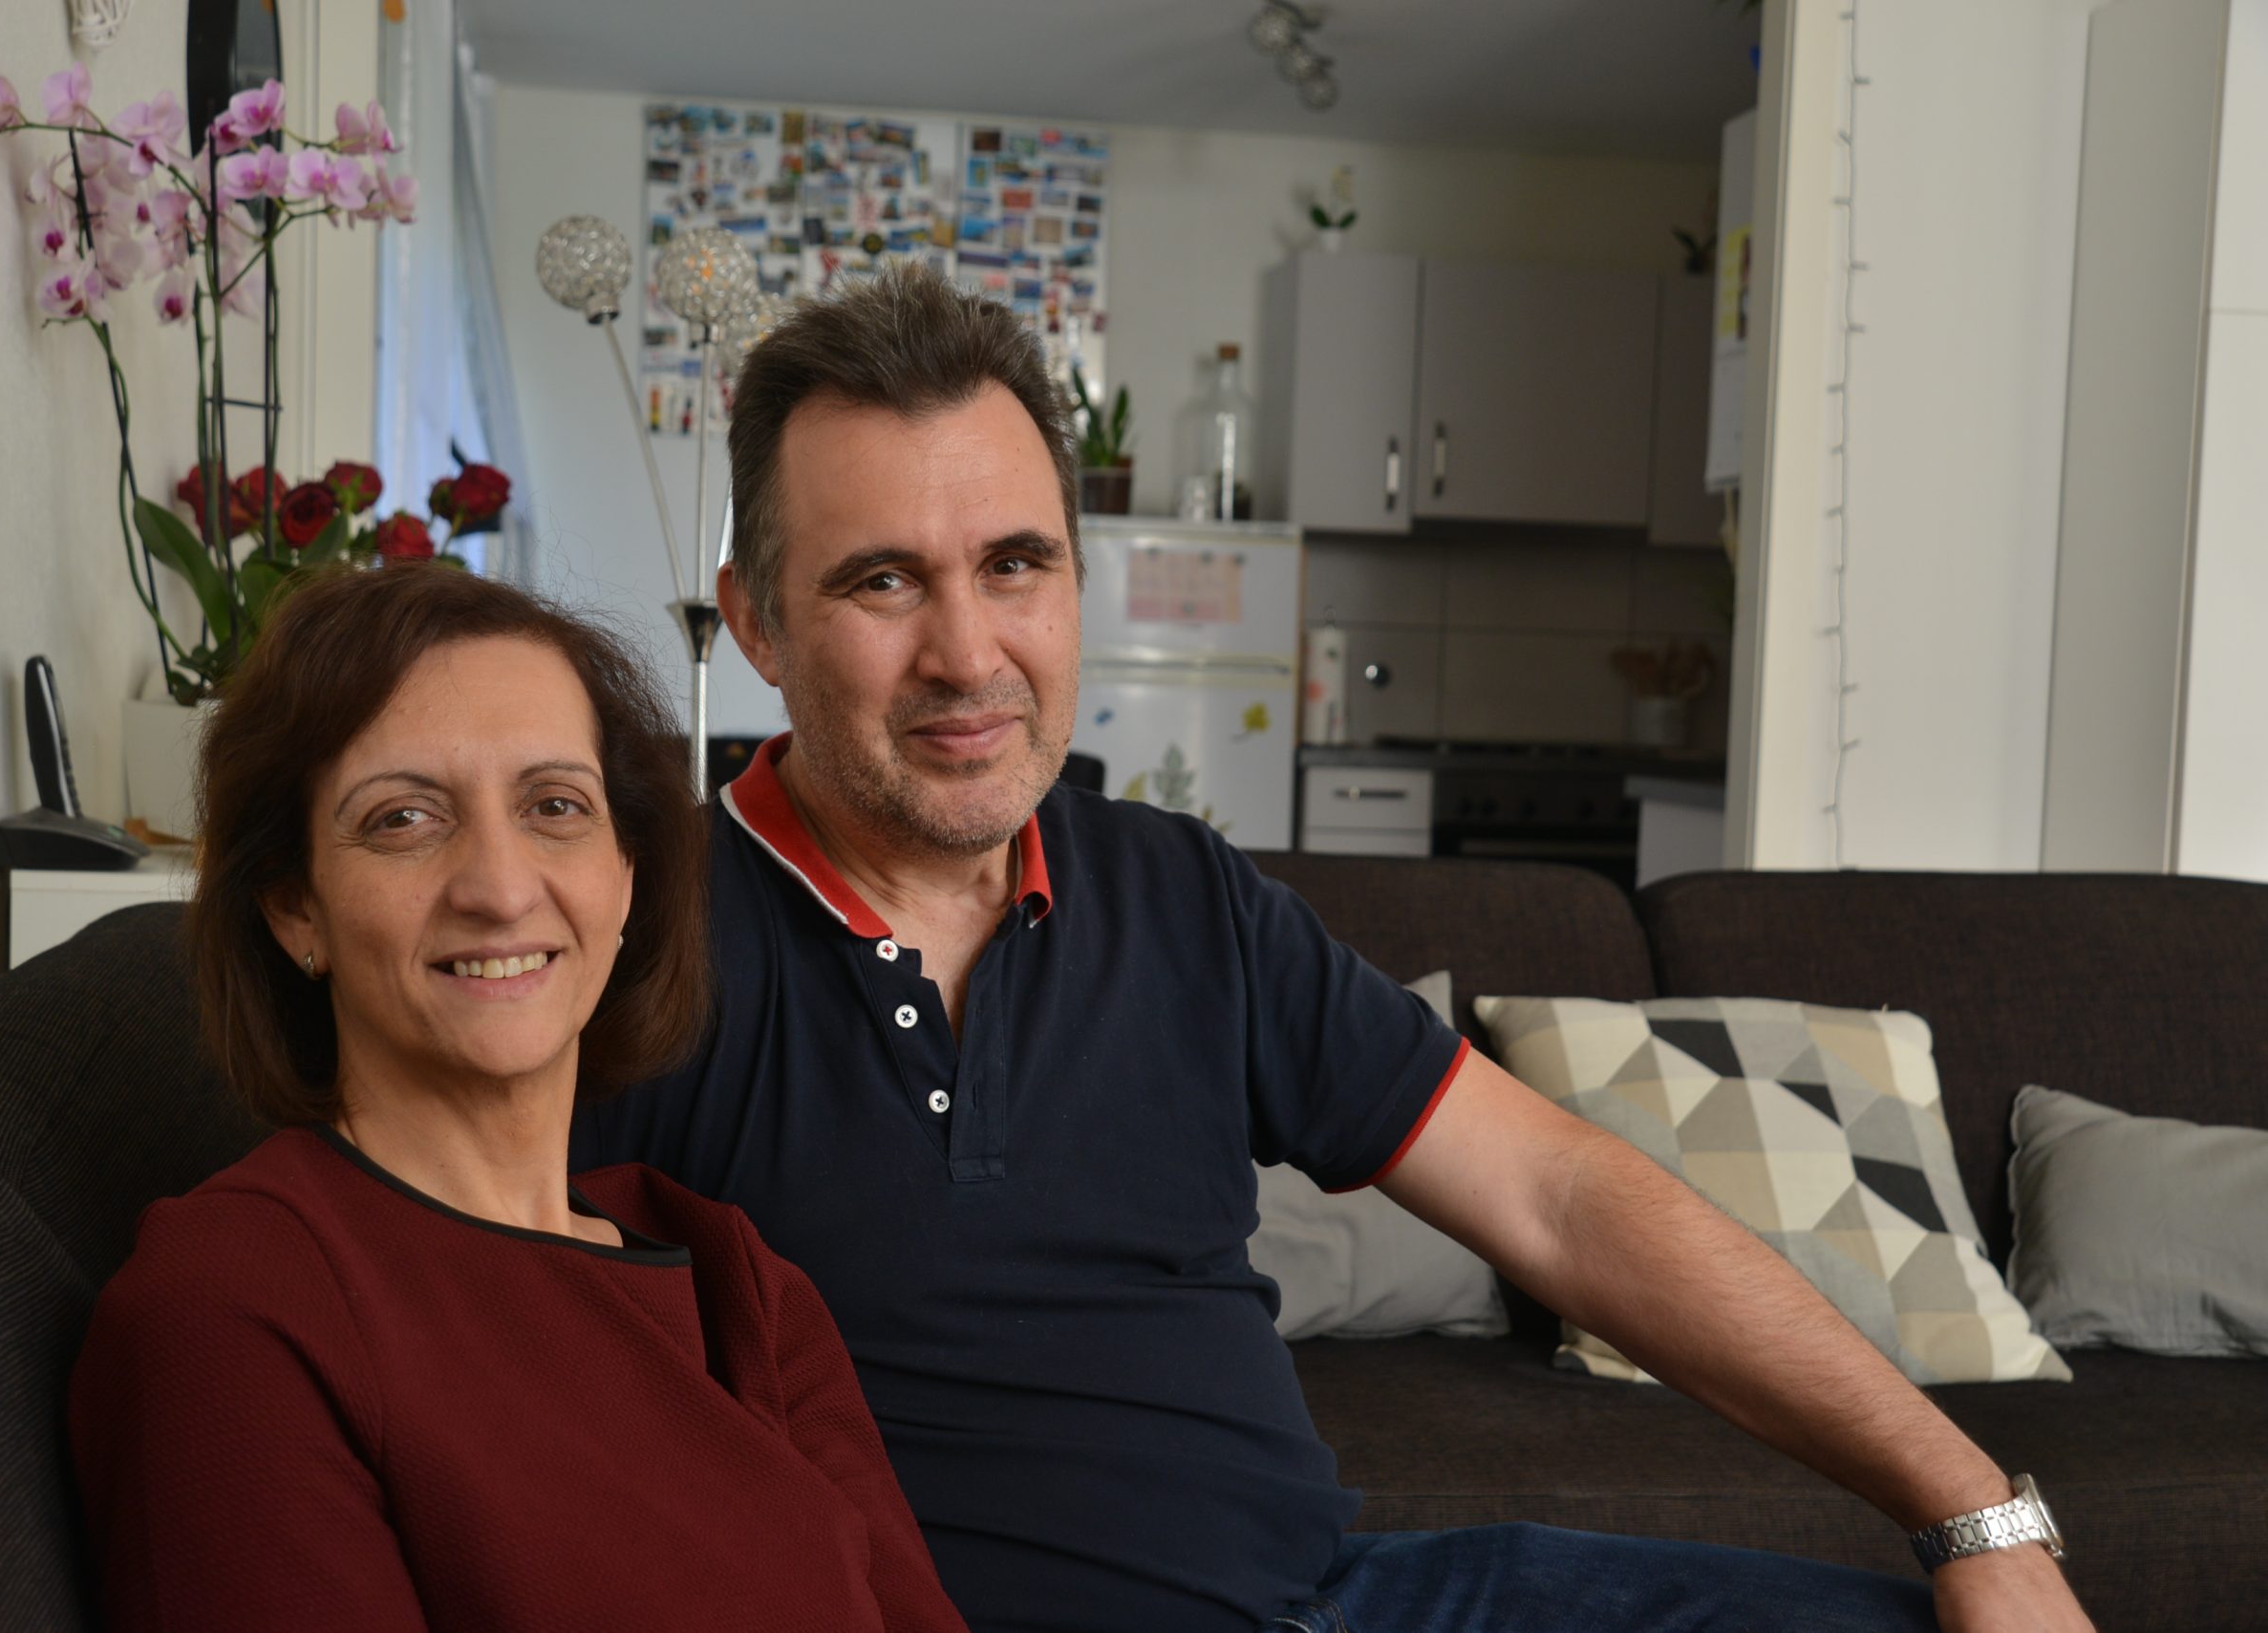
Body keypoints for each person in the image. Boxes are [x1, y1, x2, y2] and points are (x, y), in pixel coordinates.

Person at [572, 267, 2095, 1633]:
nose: (969, 655)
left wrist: (1974, 1508)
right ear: (757, 623)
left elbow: (1559, 1198)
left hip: (1343, 1604)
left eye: (1017, 564)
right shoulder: (629, 943)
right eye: (885, 580)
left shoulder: (1185, 896)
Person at [69, 566, 967, 1633]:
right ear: (294, 904)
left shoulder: (740, 1283)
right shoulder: (233, 1304)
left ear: (626, 876)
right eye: (403, 818)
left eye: (554, 806)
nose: (498, 887)